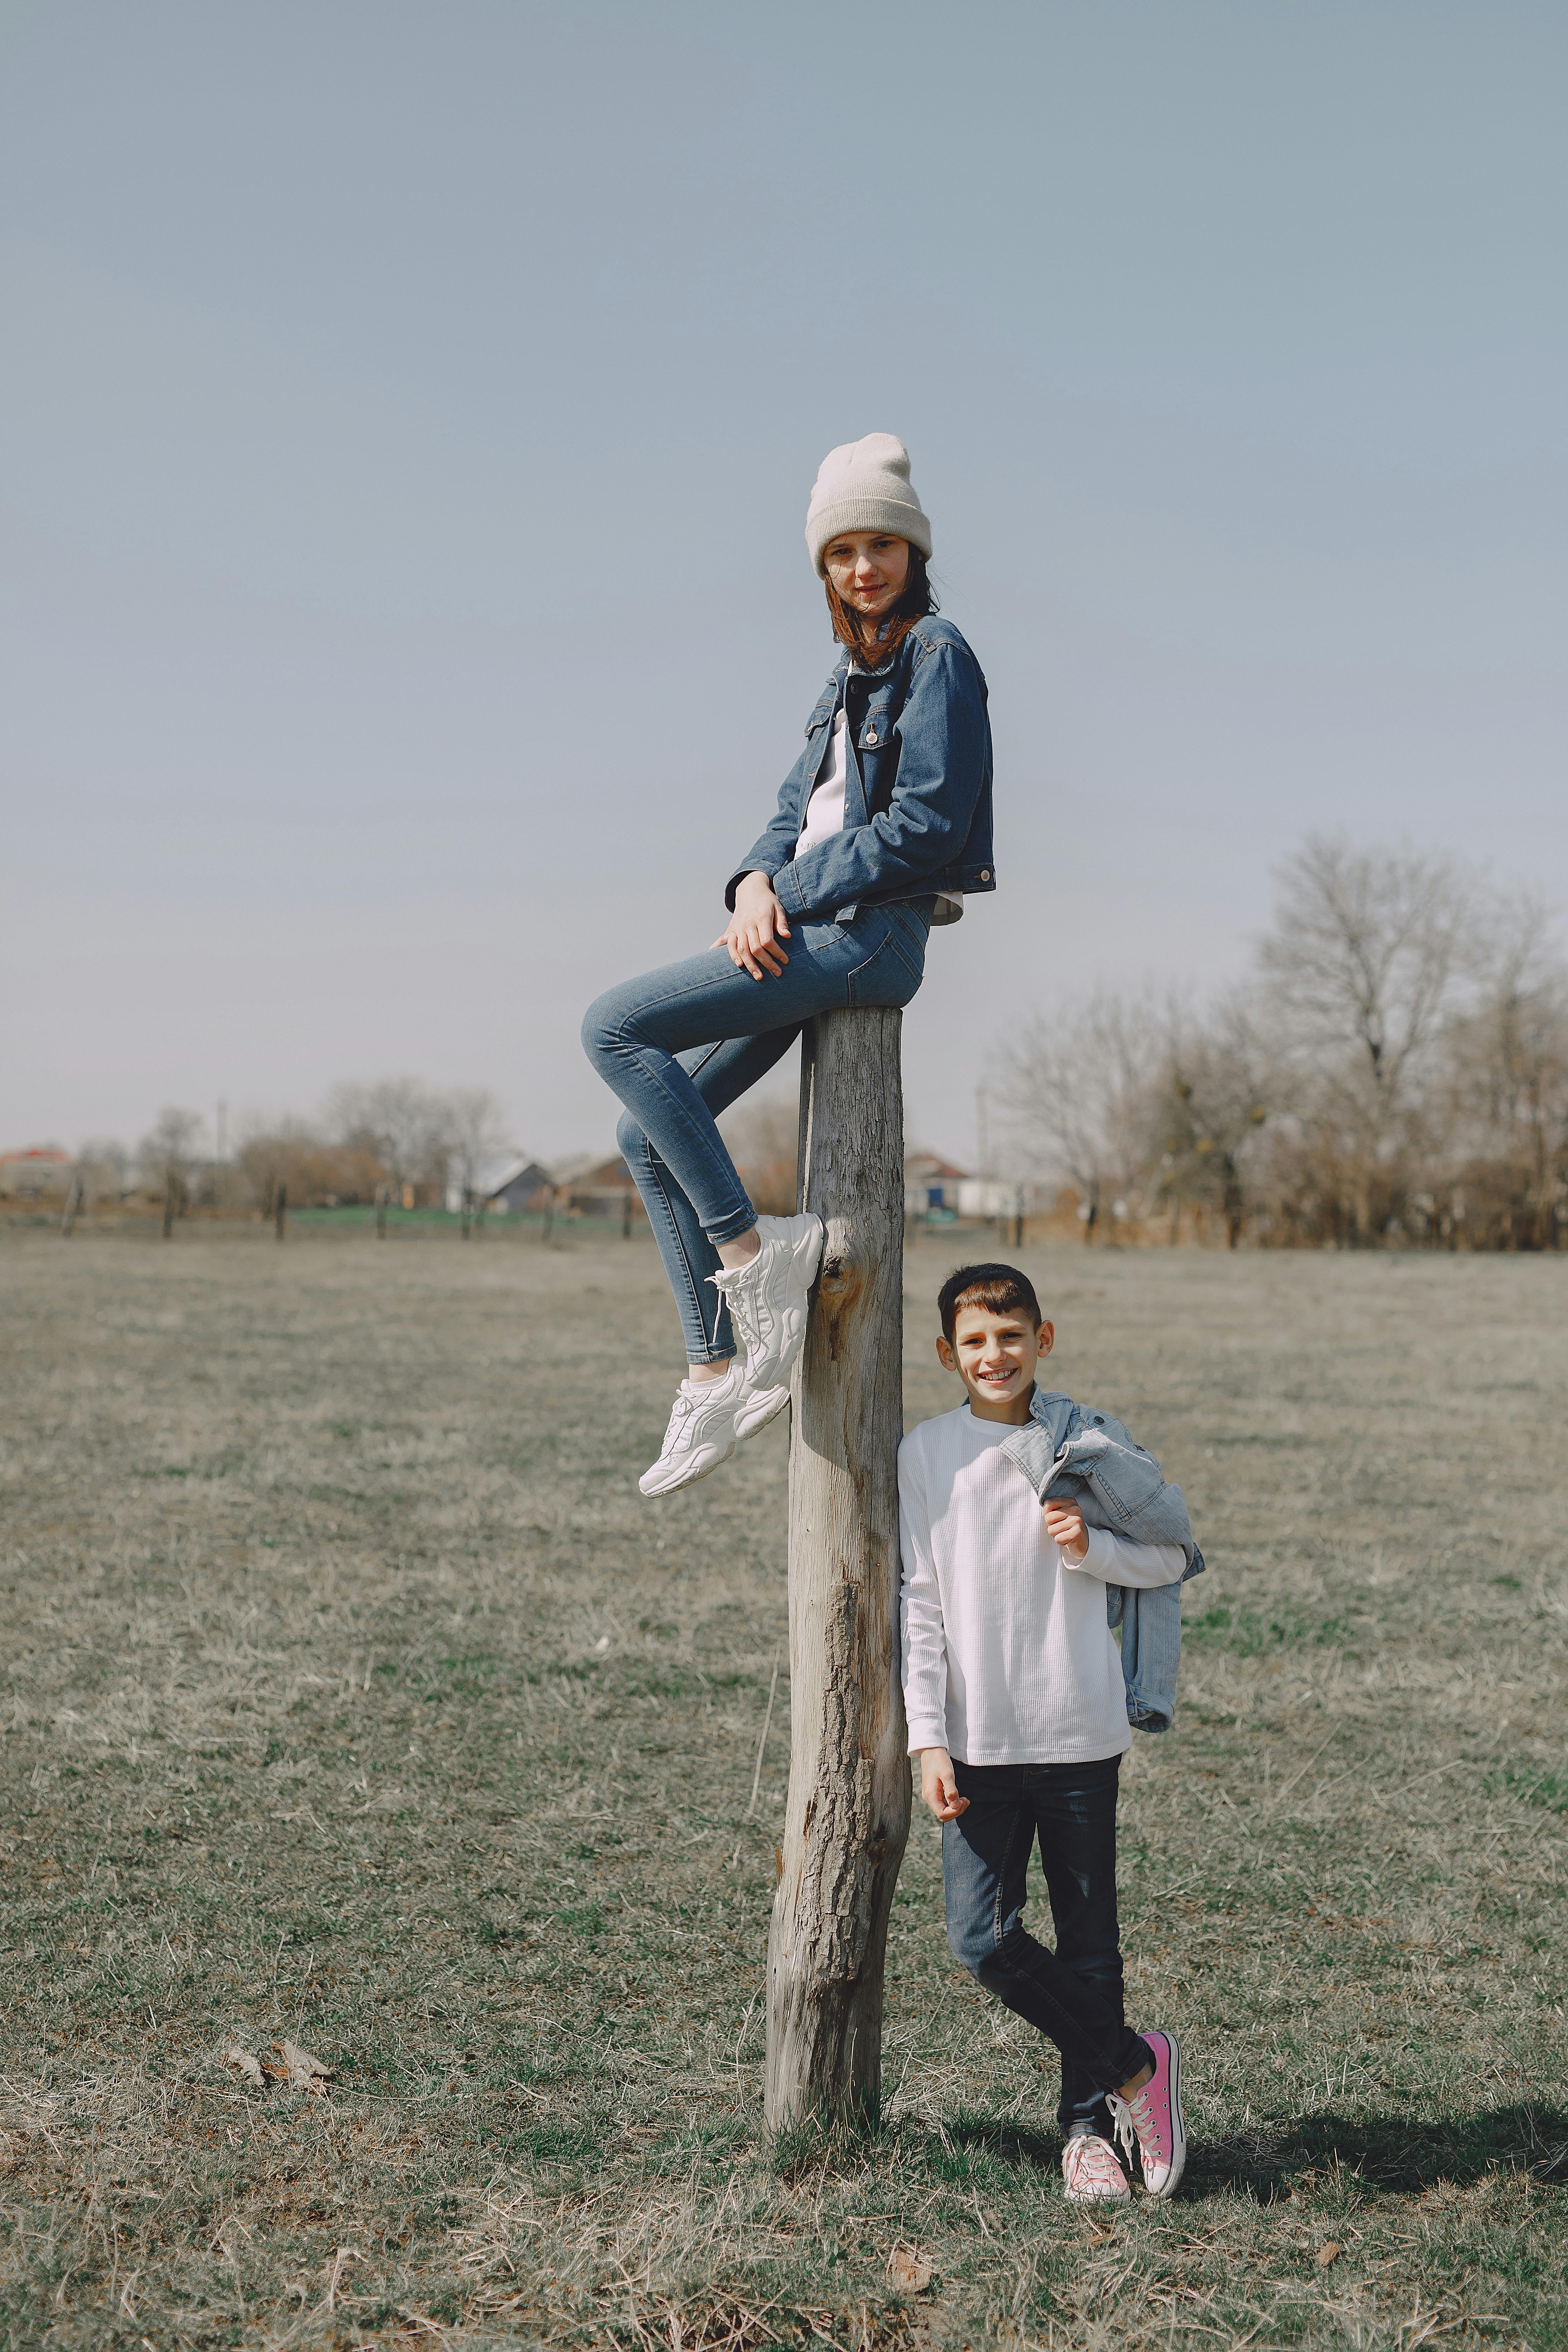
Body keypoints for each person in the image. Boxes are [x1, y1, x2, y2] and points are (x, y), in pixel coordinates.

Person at [582, 434, 995, 1496]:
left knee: (613, 1029)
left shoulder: (936, 655)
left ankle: (754, 1261)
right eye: (844, 550)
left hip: (866, 936)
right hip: (803, 928)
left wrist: (792, 894)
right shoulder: (839, 686)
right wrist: (751, 888)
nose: (865, 567)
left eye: (884, 545)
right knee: (643, 1129)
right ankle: (717, 1367)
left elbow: (923, 827)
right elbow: (786, 819)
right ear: (822, 568)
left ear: (914, 552)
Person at [898, 1263, 1192, 2204]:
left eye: (1012, 1336)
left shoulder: (1089, 1447)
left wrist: (1090, 1548)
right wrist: (927, 1739)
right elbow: (922, 1605)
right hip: (977, 1743)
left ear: (1044, 1339)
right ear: (949, 1353)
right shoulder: (925, 1454)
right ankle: (1135, 2068)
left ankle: (1088, 2138)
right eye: (976, 1341)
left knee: (1089, 1944)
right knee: (983, 1939)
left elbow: (1171, 1555)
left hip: (1079, 1735)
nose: (996, 1355)